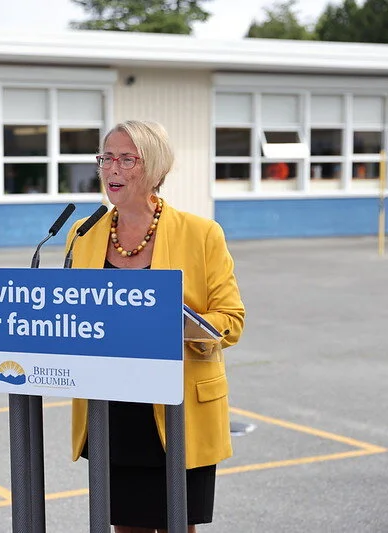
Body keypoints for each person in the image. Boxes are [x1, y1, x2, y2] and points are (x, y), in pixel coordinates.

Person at [64, 120, 246, 533]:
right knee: (124, 525)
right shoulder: (83, 233)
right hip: (110, 405)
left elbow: (231, 320)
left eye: (127, 159)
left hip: (176, 404)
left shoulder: (201, 233)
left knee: (178, 525)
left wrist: (175, 321)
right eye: (106, 158)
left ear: (156, 170)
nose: (112, 169)